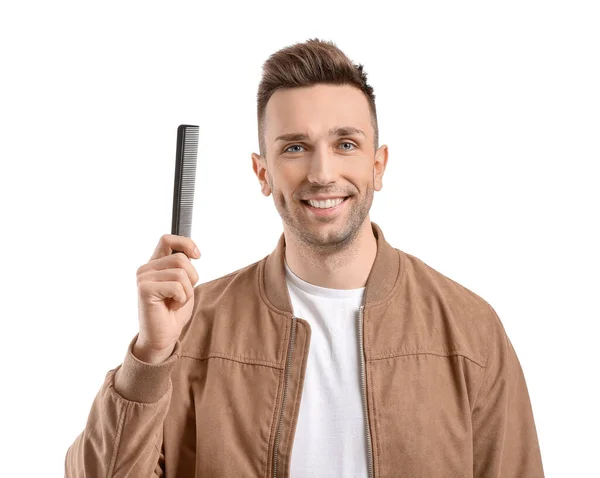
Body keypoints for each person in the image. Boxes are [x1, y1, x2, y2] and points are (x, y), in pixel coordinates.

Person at [65, 38, 545, 477]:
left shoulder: (470, 331)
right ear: (262, 172)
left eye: (345, 144)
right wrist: (150, 356)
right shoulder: (192, 329)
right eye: (295, 147)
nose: (321, 172)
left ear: (377, 166)